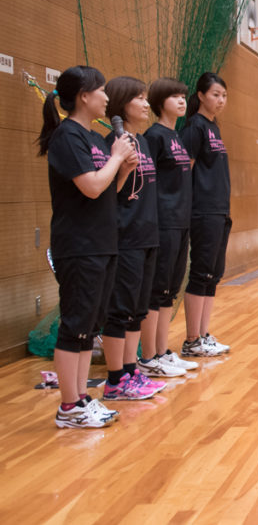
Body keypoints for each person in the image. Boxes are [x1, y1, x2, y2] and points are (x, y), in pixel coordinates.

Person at [39, 65, 135, 428]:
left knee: (89, 328)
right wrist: (114, 159)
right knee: (75, 326)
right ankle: (69, 406)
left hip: (103, 242)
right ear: (84, 96)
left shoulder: (95, 138)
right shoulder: (67, 137)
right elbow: (91, 187)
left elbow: (109, 190)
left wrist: (123, 168)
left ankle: (81, 399)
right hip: (79, 246)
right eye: (101, 91)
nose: (107, 98)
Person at [101, 77, 167, 402]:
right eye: (138, 98)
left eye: (145, 98)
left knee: (138, 311)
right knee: (120, 309)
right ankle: (115, 380)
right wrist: (122, 168)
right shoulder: (112, 144)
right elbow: (104, 195)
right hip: (124, 238)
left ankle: (131, 370)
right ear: (122, 103)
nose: (145, 104)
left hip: (147, 237)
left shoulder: (143, 141)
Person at [138, 78, 197, 379]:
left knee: (169, 290)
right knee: (156, 290)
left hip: (181, 221)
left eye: (183, 96)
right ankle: (148, 356)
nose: (181, 101)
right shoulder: (154, 136)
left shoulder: (177, 138)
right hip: (162, 222)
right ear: (160, 102)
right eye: (174, 96)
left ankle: (162, 351)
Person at [180, 72, 232, 357]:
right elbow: (184, 171)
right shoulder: (194, 128)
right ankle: (191, 340)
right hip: (202, 211)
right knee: (200, 273)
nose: (220, 100)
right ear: (200, 96)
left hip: (219, 210)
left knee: (213, 274)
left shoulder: (215, 128)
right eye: (215, 94)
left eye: (224, 95)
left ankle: (202, 334)